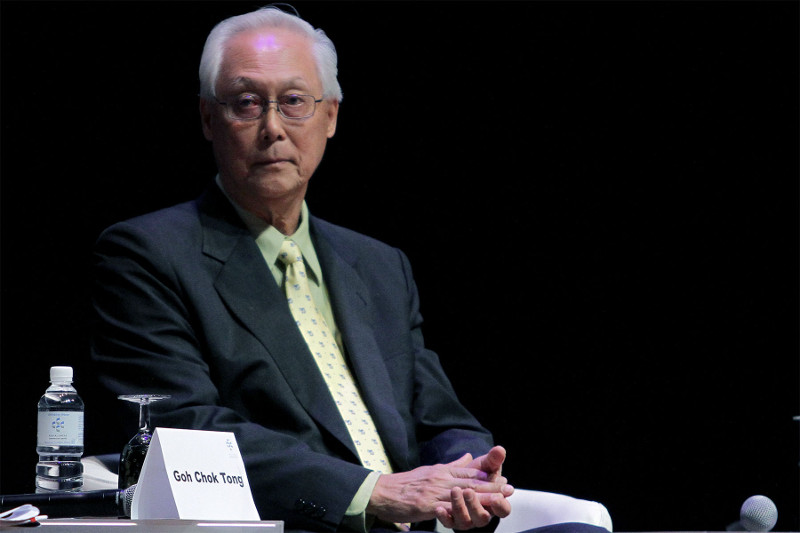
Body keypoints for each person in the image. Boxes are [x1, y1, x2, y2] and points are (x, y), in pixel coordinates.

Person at [90, 6, 561, 533]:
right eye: (246, 103)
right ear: (207, 118)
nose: (272, 127)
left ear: (331, 115)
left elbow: (441, 417)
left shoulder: (379, 265)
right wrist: (369, 493)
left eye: (293, 102)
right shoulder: (147, 254)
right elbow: (182, 429)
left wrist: (469, 476)